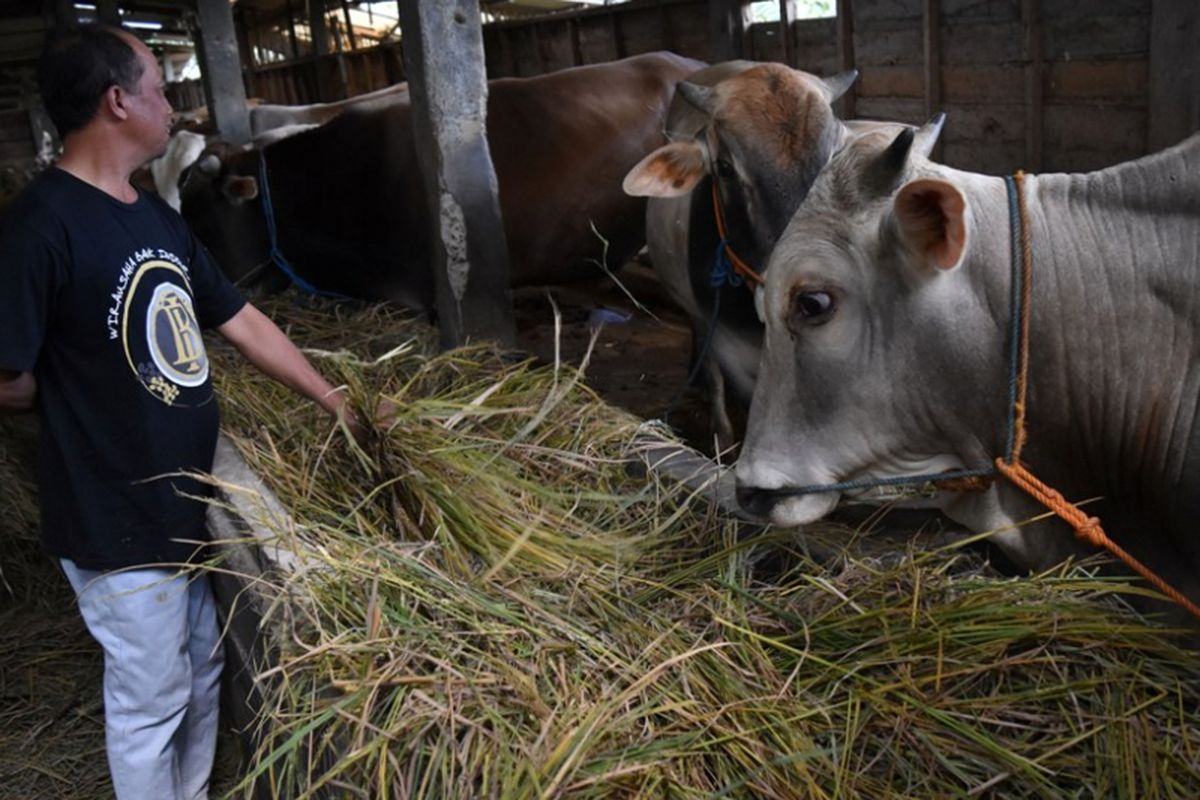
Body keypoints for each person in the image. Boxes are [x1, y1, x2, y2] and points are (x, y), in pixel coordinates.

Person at [0, 24, 360, 800]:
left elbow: (241, 320)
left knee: (198, 665)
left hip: (181, 496)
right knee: (150, 698)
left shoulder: (151, 215)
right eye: (160, 88)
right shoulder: (40, 227)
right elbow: (8, 374)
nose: (173, 105)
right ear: (118, 101)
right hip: (113, 511)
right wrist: (60, 398)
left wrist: (335, 401)